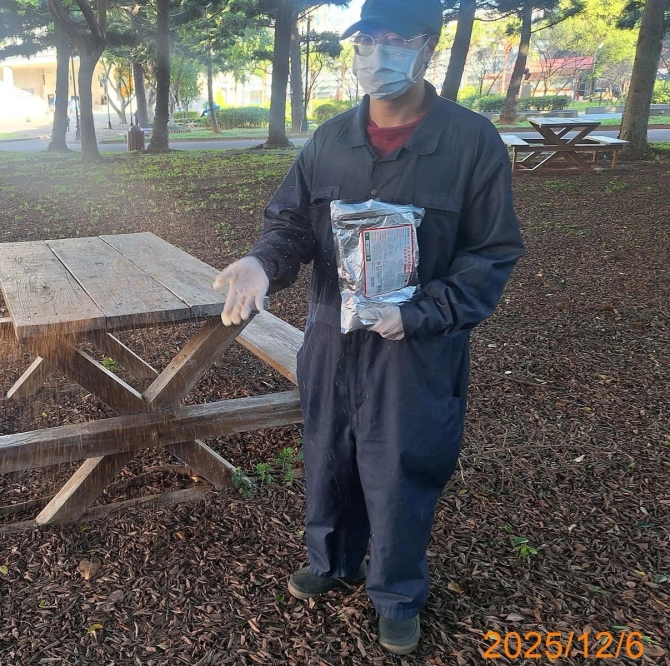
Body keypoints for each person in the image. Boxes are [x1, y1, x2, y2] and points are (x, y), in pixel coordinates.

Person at [212, 0, 525, 656]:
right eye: (365, 41)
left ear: (426, 48)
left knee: (400, 465)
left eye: (394, 40)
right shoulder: (330, 140)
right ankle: (332, 561)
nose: (375, 55)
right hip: (333, 337)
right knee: (329, 452)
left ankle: (398, 593)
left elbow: (491, 254)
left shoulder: (469, 143)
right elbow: (291, 225)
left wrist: (417, 314)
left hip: (415, 350)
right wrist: (262, 263)